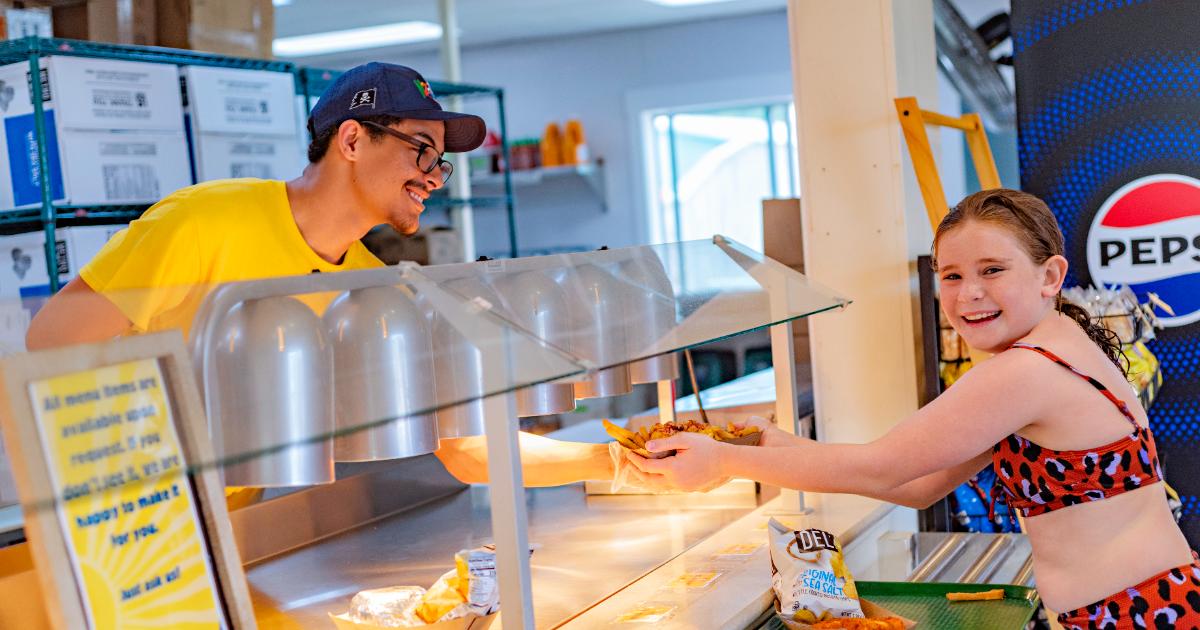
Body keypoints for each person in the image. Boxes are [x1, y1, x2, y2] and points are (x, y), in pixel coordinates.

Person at [25, 62, 612, 492]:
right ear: (353, 139)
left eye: (442, 162)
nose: (435, 177)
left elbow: (465, 449)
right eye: (422, 151)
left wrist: (616, 461)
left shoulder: (370, 290)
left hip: (227, 528)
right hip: (121, 523)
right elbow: (52, 340)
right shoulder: (204, 221)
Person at [628, 189, 1199, 629]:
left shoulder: (1025, 370)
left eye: (991, 270)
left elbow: (883, 467)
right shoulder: (1054, 350)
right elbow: (919, 486)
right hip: (1150, 599)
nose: (968, 293)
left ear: (1050, 275)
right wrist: (771, 447)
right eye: (951, 276)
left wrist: (723, 464)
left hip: (1136, 613)